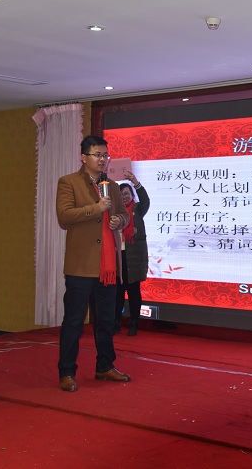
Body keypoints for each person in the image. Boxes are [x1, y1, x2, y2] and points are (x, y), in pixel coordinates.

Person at [55, 135, 132, 392]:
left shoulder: (112, 186)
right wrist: (96, 209)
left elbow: (123, 214)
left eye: (105, 155)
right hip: (81, 264)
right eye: (97, 155)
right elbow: (64, 215)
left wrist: (118, 221)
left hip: (107, 266)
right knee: (74, 321)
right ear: (83, 157)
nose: (102, 159)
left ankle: (105, 366)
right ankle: (67, 372)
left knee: (107, 320)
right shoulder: (69, 182)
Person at [115, 172, 150, 336]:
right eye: (121, 194)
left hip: (134, 258)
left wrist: (135, 182)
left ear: (131, 195)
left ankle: (134, 322)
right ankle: (116, 322)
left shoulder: (137, 209)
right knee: (117, 292)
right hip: (118, 257)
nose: (124, 197)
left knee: (134, 292)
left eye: (126, 194)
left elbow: (146, 200)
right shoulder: (114, 213)